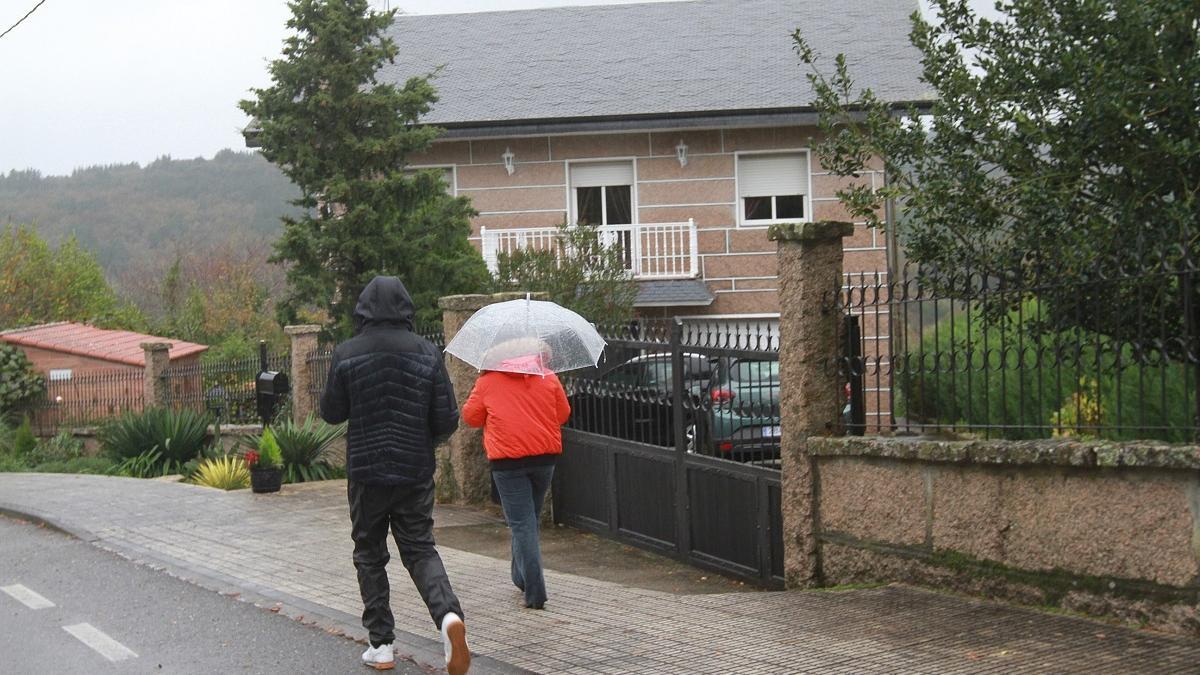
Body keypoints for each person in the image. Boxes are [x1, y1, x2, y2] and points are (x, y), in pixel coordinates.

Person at [320, 276, 470, 674]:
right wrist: (426, 443)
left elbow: (331, 413)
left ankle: (381, 644)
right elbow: (447, 418)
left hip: (367, 473)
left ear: (364, 309)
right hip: (414, 471)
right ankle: (448, 618)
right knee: (420, 548)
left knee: (369, 553)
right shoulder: (427, 353)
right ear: (406, 308)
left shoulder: (347, 353)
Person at [462, 349, 570, 609]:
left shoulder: (488, 381)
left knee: (522, 524)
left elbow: (471, 418)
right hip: (544, 459)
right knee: (526, 521)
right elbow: (563, 414)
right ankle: (519, 576)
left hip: (507, 463)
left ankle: (535, 592)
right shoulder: (547, 376)